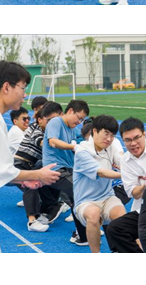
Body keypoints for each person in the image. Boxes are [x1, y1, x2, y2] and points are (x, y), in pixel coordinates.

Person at [0, 61, 60, 252]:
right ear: (7, 87)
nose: (25, 95)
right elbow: (2, 171)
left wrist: (23, 179)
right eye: (23, 88)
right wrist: (38, 175)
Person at [104, 117, 146, 253]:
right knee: (115, 229)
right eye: (128, 140)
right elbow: (134, 193)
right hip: (144, 211)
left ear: (144, 134)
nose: (133, 143)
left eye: (136, 138)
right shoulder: (125, 161)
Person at [73, 115, 126, 253]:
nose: (109, 139)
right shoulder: (82, 151)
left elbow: (122, 162)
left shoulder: (111, 146)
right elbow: (101, 172)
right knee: (93, 214)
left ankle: (124, 251)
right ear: (95, 131)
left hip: (107, 197)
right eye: (106, 134)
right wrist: (127, 174)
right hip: (85, 201)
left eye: (112, 135)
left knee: (122, 215)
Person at [41, 99, 91, 244]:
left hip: (68, 170)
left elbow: (84, 137)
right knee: (80, 193)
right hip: (55, 169)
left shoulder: (72, 129)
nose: (79, 122)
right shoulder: (56, 122)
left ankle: (82, 235)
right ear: (70, 111)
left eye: (82, 120)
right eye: (79, 118)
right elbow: (53, 142)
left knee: (77, 199)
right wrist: (72, 147)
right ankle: (86, 230)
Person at [13, 101, 64, 232]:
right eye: (49, 120)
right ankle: (32, 221)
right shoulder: (35, 128)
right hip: (21, 164)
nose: (51, 123)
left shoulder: (49, 130)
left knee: (50, 171)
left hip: (32, 164)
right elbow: (40, 142)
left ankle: (50, 206)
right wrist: (60, 145)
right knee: (32, 183)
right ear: (40, 120)